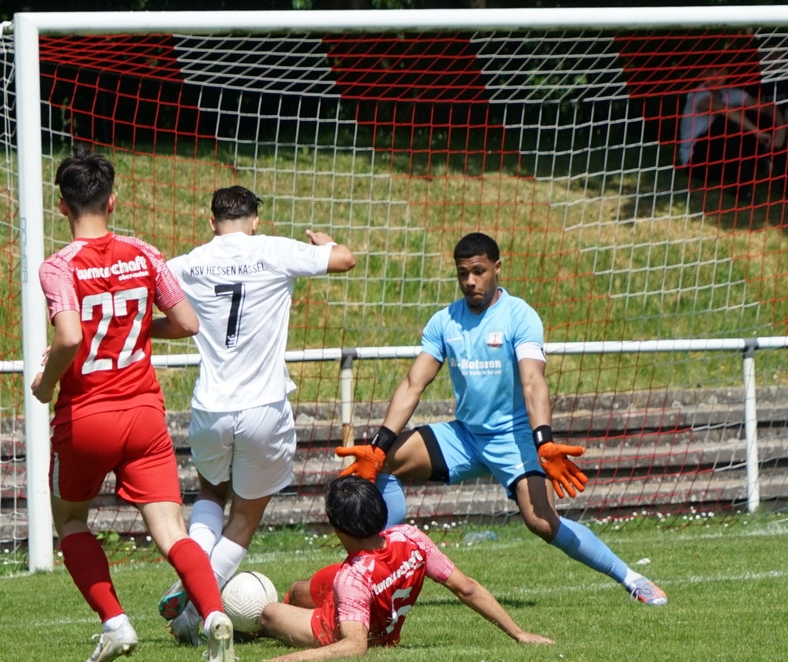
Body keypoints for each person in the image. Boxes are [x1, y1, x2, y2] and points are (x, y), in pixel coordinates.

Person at [335, 231, 668, 606]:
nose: (470, 281)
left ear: (497, 268)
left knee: (542, 522)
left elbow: (533, 381)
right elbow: (414, 383)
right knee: (378, 464)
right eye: (463, 273)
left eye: (478, 271)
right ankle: (377, 567)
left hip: (515, 439)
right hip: (464, 437)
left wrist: (544, 442)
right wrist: (378, 444)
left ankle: (632, 578)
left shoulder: (520, 316)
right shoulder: (445, 322)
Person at [29, 149, 235, 662]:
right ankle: (214, 613)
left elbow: (70, 336)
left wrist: (45, 385)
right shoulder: (143, 253)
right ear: (112, 201)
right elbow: (187, 322)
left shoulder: (59, 265)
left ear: (62, 205)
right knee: (171, 531)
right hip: (144, 413)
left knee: (71, 521)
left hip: (87, 416)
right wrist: (138, 329)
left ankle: (115, 622)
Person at [159, 185, 357, 644]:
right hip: (263, 407)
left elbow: (151, 302)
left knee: (212, 491)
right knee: (245, 517)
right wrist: (325, 243)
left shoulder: (189, 263)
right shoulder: (273, 250)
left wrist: (141, 330)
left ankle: (189, 580)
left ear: (212, 222)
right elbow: (345, 259)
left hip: (211, 406)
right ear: (254, 222)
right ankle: (192, 609)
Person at [259, 475, 554, 662]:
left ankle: (252, 628)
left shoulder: (352, 579)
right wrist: (519, 633)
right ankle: (294, 599)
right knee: (300, 589)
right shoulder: (411, 538)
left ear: (337, 528)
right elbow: (467, 588)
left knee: (269, 613)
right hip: (365, 592)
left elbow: (354, 645)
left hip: (336, 626)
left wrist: (284, 661)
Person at [677, 67, 788, 204]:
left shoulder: (730, 92)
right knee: (724, 124)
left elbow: (767, 107)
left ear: (727, 73)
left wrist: (781, 129)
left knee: (764, 119)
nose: (715, 76)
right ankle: (742, 188)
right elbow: (725, 110)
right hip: (697, 163)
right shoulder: (698, 96)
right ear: (701, 75)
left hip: (723, 160)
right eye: (709, 72)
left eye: (720, 71)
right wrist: (756, 132)